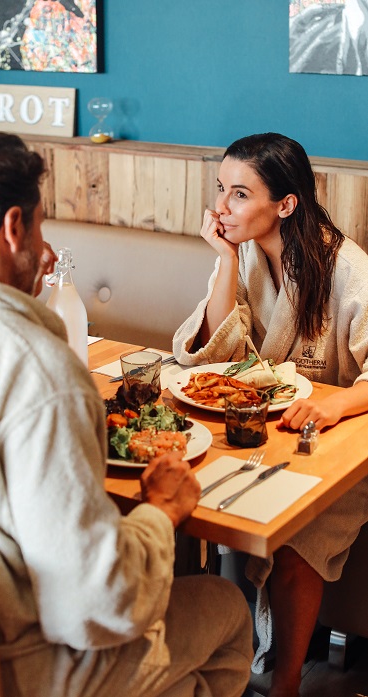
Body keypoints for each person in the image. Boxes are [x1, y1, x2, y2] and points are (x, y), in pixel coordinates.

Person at [0, 130, 253, 697]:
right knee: (228, 610)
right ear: (14, 226)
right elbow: (94, 606)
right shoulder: (38, 367)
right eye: (40, 227)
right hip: (21, 670)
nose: (44, 251)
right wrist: (160, 513)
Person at [173, 132, 368, 697]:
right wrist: (227, 260)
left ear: (285, 204)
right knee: (182, 497)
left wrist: (333, 403)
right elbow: (213, 351)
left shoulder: (347, 268)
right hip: (263, 429)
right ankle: (209, 661)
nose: (222, 208)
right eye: (220, 190)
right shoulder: (247, 254)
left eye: (239, 194)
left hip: (341, 438)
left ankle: (284, 685)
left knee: (296, 540)